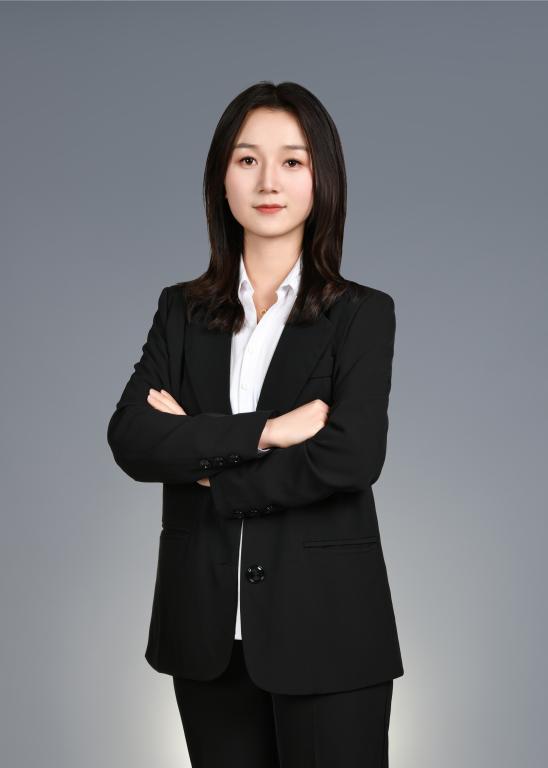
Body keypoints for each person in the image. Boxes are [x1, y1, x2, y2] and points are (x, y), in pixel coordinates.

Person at [107, 80, 404, 767]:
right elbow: (133, 437)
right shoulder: (182, 310)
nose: (268, 180)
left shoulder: (363, 314)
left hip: (330, 628)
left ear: (321, 180)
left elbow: (352, 456)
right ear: (222, 178)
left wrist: (210, 473)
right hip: (204, 630)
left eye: (292, 161)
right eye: (247, 160)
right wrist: (265, 432)